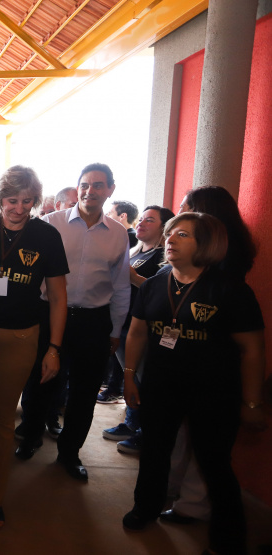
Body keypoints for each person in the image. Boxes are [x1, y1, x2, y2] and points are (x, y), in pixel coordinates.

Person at [121, 213, 265, 555]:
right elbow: (138, 330)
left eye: (182, 235)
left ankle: (228, 538)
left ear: (207, 244)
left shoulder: (230, 289)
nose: (170, 240)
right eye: (170, 234)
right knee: (154, 451)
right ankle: (146, 508)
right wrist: (129, 375)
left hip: (213, 393)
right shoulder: (156, 282)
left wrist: (251, 403)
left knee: (214, 463)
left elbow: (252, 349)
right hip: (160, 386)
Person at [0, 166, 68, 529]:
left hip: (21, 338)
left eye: (26, 201)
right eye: (11, 201)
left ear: (35, 201)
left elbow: (57, 296)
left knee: (3, 420)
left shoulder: (47, 236)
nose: (18, 208)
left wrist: (53, 348)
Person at [16, 163, 131, 483]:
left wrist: (116, 329)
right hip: (49, 314)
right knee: (40, 383)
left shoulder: (119, 234)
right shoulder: (49, 224)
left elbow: (121, 285)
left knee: (84, 392)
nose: (89, 191)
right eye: (84, 184)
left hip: (93, 320)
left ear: (110, 190)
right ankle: (29, 439)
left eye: (97, 185)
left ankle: (70, 453)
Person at [160, 186, 259, 526]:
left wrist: (252, 403)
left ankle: (194, 507)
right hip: (186, 362)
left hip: (212, 366)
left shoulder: (226, 280)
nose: (178, 217)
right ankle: (177, 496)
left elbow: (250, 346)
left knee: (209, 453)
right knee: (183, 439)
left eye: (187, 211)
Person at [101, 206, 175, 450]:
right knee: (130, 373)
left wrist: (133, 277)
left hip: (145, 326)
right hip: (124, 321)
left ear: (164, 227)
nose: (141, 223)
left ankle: (144, 430)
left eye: (150, 220)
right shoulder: (134, 251)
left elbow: (164, 293)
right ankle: (132, 423)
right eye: (141, 219)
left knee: (143, 377)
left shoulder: (163, 256)